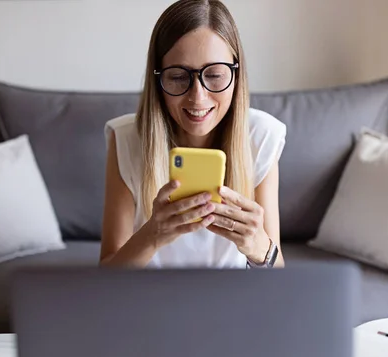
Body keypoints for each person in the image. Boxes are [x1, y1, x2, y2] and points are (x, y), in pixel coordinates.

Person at [100, 0, 286, 269]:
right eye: (177, 77)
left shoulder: (261, 136)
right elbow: (104, 281)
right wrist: (152, 235)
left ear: (236, 73)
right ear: (158, 80)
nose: (197, 97)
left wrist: (258, 246)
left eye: (214, 75)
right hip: (151, 304)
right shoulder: (127, 139)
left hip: (229, 303)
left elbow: (279, 279)